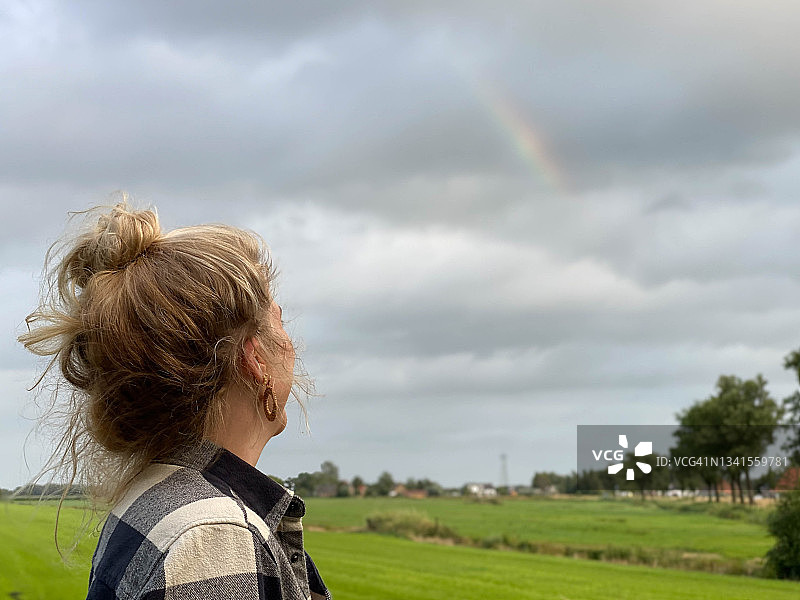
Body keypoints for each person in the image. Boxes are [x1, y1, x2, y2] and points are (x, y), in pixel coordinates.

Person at [19, 200, 331, 600]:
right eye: (279, 323)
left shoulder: (155, 494)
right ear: (254, 359)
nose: (292, 346)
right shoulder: (215, 537)